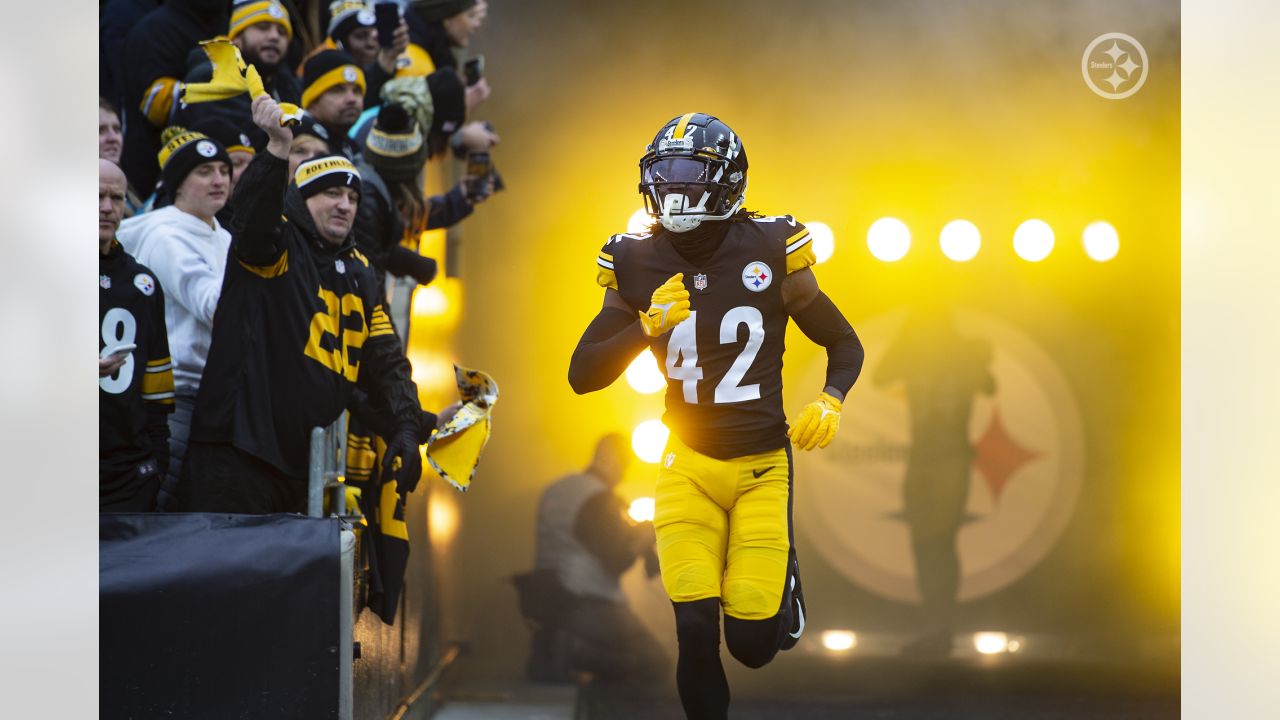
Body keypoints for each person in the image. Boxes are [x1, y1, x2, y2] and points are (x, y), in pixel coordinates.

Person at [567, 113, 864, 719]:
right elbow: (583, 375)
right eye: (664, 173)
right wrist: (643, 328)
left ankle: (784, 586)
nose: (673, 189)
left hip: (760, 467)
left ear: (728, 181)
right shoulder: (634, 258)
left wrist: (831, 398)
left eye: (690, 174)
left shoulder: (770, 247)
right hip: (687, 465)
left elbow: (844, 343)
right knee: (695, 627)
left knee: (752, 647)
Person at [180, 95, 439, 514]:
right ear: (302, 199)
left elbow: (387, 361)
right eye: (332, 193)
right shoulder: (278, 245)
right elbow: (250, 223)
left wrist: (407, 426)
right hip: (236, 453)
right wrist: (277, 151)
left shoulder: (361, 273)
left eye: (353, 199)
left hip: (300, 464)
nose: (345, 205)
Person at [117, 128, 233, 499]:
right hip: (176, 398)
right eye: (203, 172)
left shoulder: (223, 235)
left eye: (223, 170)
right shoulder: (166, 236)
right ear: (177, 184)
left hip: (214, 395)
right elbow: (217, 309)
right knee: (164, 504)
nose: (218, 180)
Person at [875, 308, 995, 657]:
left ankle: (940, 627)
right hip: (924, 456)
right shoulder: (915, 358)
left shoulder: (963, 357)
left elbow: (988, 384)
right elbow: (880, 376)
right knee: (924, 542)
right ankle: (936, 627)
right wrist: (907, 340)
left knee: (937, 541)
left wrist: (961, 355)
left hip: (950, 457)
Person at [526, 434, 668, 684]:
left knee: (634, 664)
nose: (624, 474)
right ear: (610, 458)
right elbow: (615, 560)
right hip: (589, 600)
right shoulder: (600, 498)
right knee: (655, 663)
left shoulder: (559, 487)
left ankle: (565, 648)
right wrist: (641, 539)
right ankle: (576, 651)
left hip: (549, 598)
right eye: (624, 464)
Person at [99, 159, 176, 512]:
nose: (107, 208)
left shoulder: (142, 282)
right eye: (95, 196)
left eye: (116, 198)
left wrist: (157, 461)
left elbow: (157, 386)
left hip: (129, 471)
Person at [120, 0, 230, 195]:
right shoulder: (155, 29)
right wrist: (214, 85)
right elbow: (155, 105)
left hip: (226, 166)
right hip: (162, 170)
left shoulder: (232, 20)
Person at [301, 49, 368, 160]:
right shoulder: (301, 147)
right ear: (312, 101)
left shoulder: (349, 145)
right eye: (337, 90)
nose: (351, 99)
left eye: (356, 91)